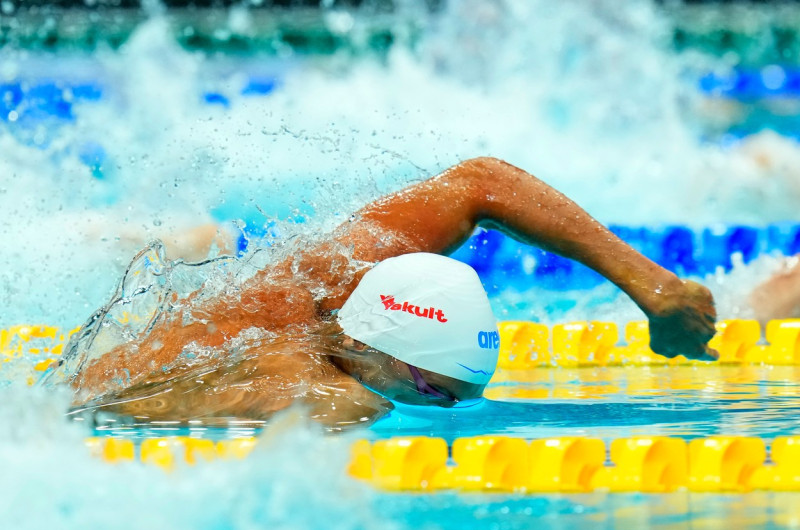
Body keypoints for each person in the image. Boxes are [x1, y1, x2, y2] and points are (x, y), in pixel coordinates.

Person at [58, 157, 718, 429]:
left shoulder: (350, 274)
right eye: (436, 391)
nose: (443, 408)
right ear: (379, 348)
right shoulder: (322, 387)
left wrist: (655, 289)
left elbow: (483, 183)